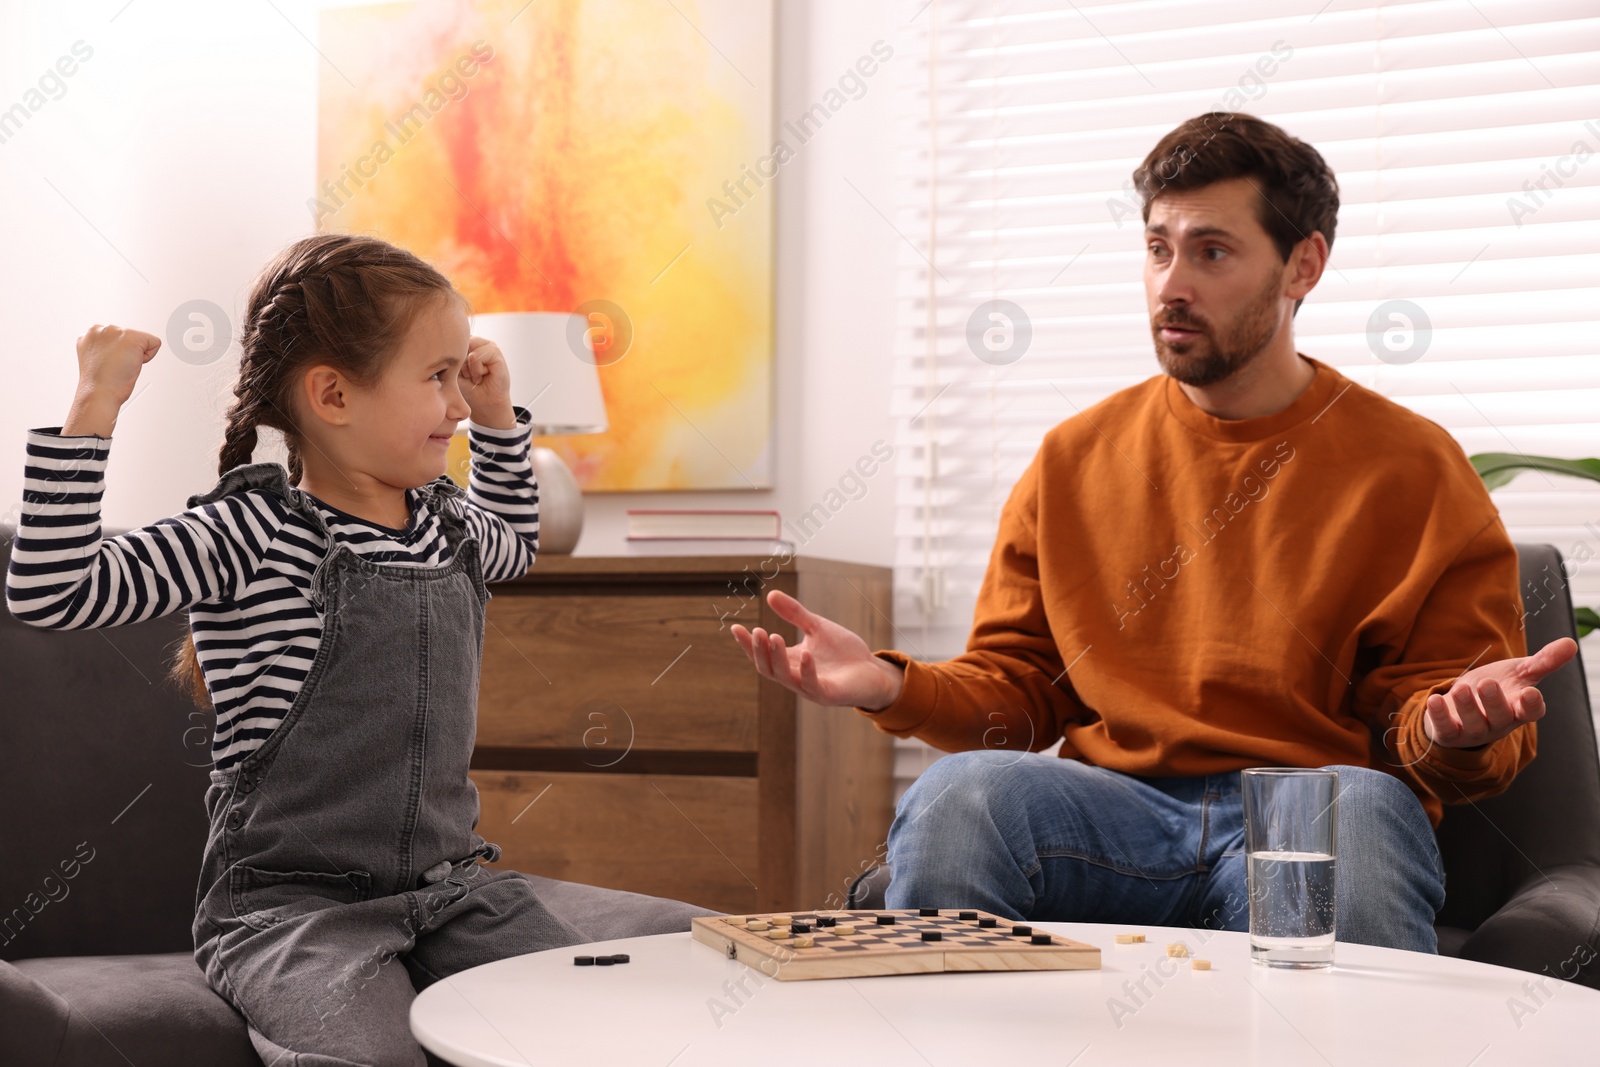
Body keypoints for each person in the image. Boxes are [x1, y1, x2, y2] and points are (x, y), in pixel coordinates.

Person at [731, 112, 1578, 954]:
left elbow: (1430, 724)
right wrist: (887, 683)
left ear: (1303, 266)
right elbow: (1021, 693)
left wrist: (1448, 724)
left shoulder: (1414, 467)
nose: (1173, 283)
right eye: (1157, 247)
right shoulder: (1073, 459)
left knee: (1353, 809)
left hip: (1304, 804)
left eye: (1211, 251)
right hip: (1111, 817)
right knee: (962, 792)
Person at [4, 234, 710, 1065]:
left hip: (454, 893)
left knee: (608, 1026)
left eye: (459, 374)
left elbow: (516, 543)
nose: (454, 400)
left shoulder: (446, 523)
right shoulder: (252, 531)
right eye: (437, 377)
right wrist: (93, 411)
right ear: (334, 394)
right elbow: (54, 591)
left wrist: (496, 421)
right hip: (288, 913)